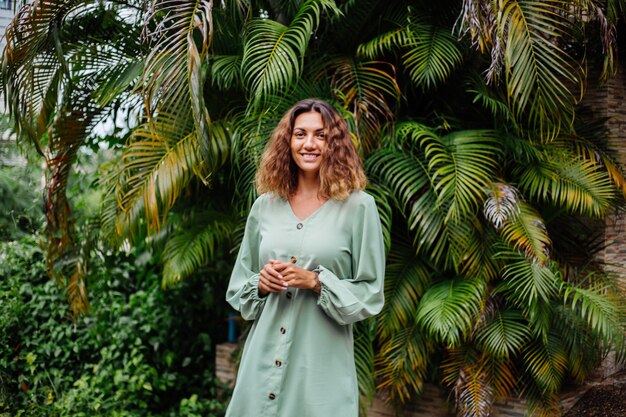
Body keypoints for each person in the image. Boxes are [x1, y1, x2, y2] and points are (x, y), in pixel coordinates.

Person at [225, 98, 385, 417]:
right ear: (288, 141)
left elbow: (371, 294)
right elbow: (239, 287)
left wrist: (315, 281)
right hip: (260, 368)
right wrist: (260, 283)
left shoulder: (359, 208)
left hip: (320, 377)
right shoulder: (264, 206)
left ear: (334, 144)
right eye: (300, 134)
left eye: (320, 135)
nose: (309, 144)